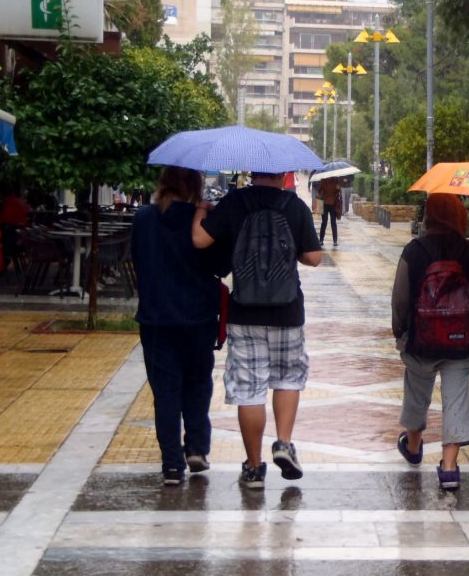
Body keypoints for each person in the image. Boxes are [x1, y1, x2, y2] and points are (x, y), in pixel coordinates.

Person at [192, 171, 322, 490]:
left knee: (250, 389)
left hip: (244, 310)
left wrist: (200, 210)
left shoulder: (235, 202)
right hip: (287, 310)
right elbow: (314, 258)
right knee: (288, 377)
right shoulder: (294, 206)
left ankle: (253, 467)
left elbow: (200, 240)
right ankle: (283, 443)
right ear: (282, 175)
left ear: (253, 173)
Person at [131, 167, 224, 486]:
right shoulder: (200, 221)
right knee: (198, 384)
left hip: (156, 318)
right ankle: (197, 448)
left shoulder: (143, 218)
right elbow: (221, 266)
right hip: (199, 317)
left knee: (165, 392)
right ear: (195, 185)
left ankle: (172, 465)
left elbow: (137, 261)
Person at [391, 193, 469, 491]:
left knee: (417, 393)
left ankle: (414, 447)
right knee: (456, 399)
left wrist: (400, 331)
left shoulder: (414, 251)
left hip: (421, 339)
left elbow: (400, 297)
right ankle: (450, 469)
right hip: (461, 341)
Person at [317, 176, 343, 247]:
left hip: (333, 204)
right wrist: (322, 191)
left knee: (332, 222)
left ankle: (334, 240)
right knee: (325, 222)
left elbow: (339, 192)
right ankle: (322, 240)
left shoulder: (335, 179)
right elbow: (319, 191)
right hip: (325, 204)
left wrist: (338, 188)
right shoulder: (324, 180)